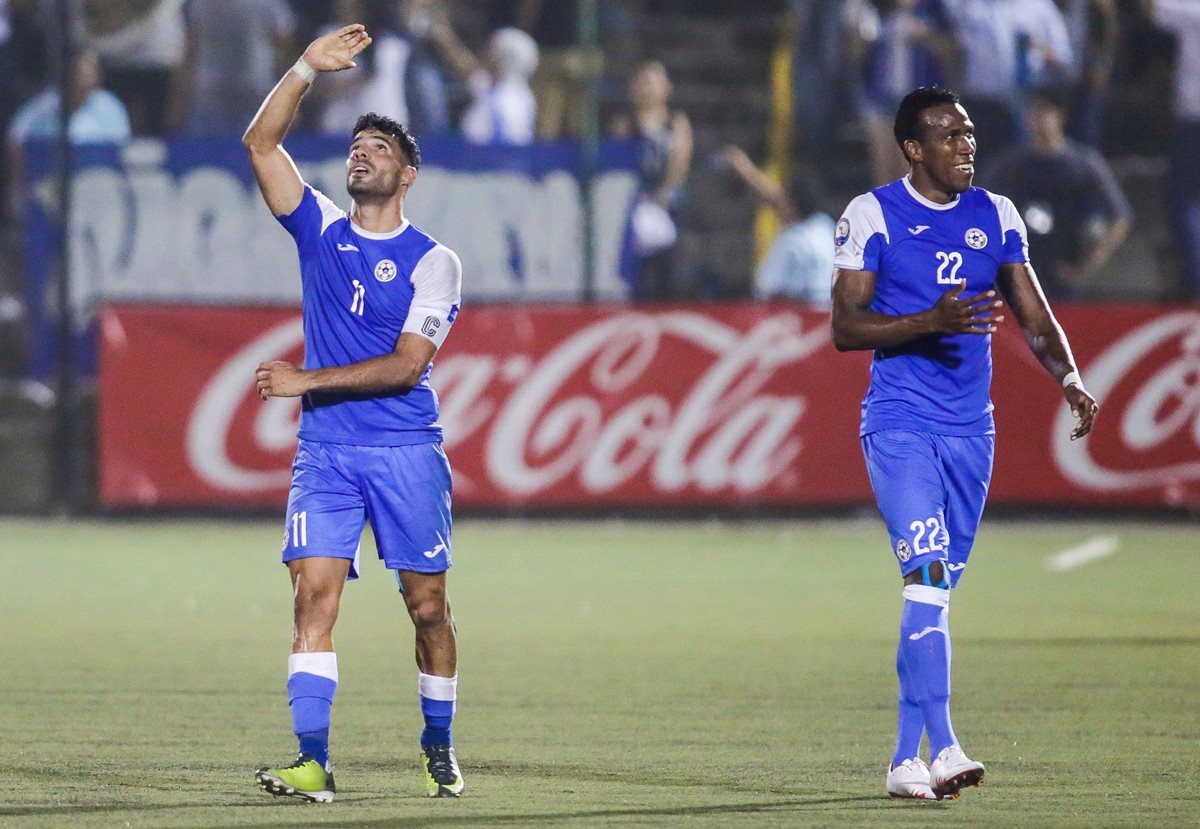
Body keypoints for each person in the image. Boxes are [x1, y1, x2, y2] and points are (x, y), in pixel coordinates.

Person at [830, 86, 1098, 801]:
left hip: (971, 433)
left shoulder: (996, 215)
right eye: (947, 137)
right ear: (913, 149)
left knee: (932, 596)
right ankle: (945, 747)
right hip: (900, 425)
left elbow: (1034, 316)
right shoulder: (873, 214)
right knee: (925, 577)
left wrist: (1069, 378)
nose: (964, 146)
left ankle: (900, 760)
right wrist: (929, 319)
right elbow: (845, 328)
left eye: (970, 134)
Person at [242, 22, 466, 802]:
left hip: (406, 449)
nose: (360, 152)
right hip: (328, 453)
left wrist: (306, 380)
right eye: (356, 145)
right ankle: (313, 761)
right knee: (312, 595)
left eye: (379, 147)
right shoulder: (322, 231)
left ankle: (437, 742)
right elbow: (262, 146)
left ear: (407, 173)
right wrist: (304, 65)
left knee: (427, 606)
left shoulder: (435, 260)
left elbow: (410, 365)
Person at [981, 82, 1131, 298]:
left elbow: (1119, 218)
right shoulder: (1008, 166)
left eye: (1044, 111)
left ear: (1060, 115)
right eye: (1032, 112)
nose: (1037, 119)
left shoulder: (1083, 165)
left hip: (1064, 277)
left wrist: (1088, 267)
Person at [611, 60, 693, 301]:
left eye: (653, 81)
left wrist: (663, 193)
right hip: (633, 203)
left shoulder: (675, 121)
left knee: (667, 268)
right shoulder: (624, 123)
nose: (647, 87)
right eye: (642, 81)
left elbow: (681, 159)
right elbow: (619, 164)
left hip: (667, 203)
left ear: (667, 88)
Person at [718, 145, 836, 303]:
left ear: (792, 205)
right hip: (832, 315)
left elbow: (767, 290)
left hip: (800, 318)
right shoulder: (828, 228)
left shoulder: (793, 240)